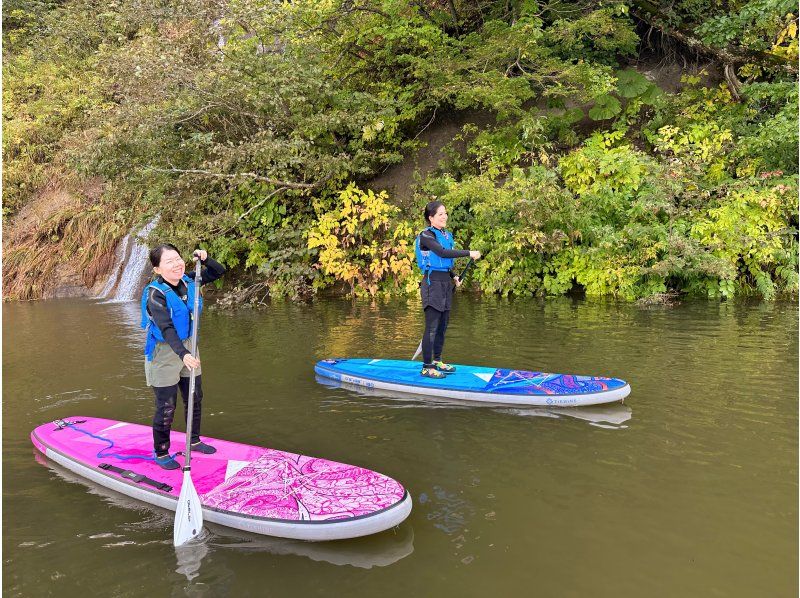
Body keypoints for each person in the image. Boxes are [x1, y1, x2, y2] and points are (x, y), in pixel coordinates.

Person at [140, 244, 225, 469]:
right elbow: (166, 329)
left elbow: (219, 271)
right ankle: (161, 452)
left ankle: (194, 440)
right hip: (165, 352)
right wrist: (184, 354)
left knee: (194, 397)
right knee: (166, 405)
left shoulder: (189, 280)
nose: (177, 264)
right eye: (169, 261)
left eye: (178, 258)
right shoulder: (155, 294)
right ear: (157, 269)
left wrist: (206, 260)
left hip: (188, 345)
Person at [415, 201, 481, 379]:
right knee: (432, 326)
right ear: (431, 218)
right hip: (432, 282)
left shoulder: (446, 234)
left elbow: (445, 263)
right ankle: (426, 367)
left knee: (442, 325)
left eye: (445, 213)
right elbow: (442, 253)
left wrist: (453, 276)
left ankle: (437, 361)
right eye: (440, 214)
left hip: (444, 281)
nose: (444, 216)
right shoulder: (426, 236)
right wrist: (469, 252)